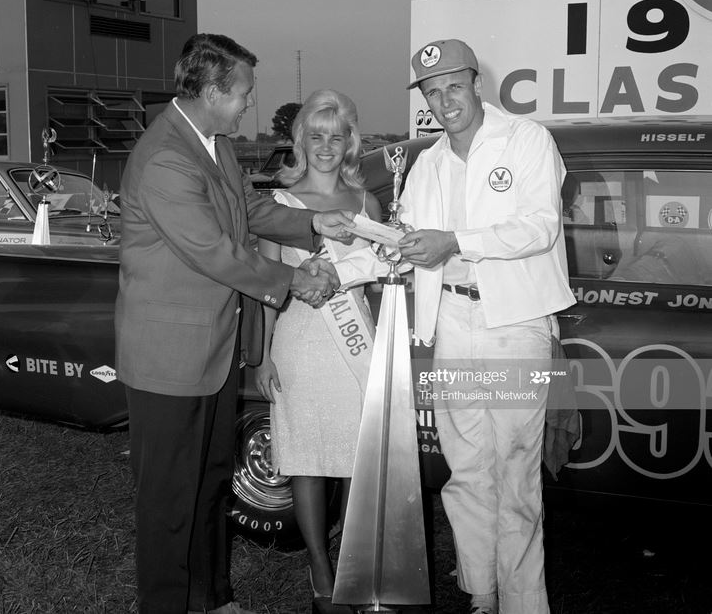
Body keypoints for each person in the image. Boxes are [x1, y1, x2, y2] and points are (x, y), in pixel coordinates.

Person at [115, 33, 355, 614]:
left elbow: (249, 210)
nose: (250, 103)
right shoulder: (166, 156)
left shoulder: (213, 143)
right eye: (244, 92)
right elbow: (214, 250)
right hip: (168, 362)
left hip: (212, 353)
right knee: (171, 502)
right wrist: (296, 280)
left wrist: (319, 223)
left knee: (212, 483)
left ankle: (213, 598)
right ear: (214, 91)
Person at [335, 39, 576, 614]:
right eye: (431, 92)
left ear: (476, 83)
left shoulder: (526, 140)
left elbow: (538, 227)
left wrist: (455, 242)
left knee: (516, 471)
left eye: (453, 87)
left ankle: (523, 603)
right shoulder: (428, 164)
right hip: (452, 323)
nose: (444, 102)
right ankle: (481, 592)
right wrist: (337, 267)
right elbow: (406, 246)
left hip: (516, 326)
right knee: (466, 470)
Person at [253, 89, 381, 614]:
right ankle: (319, 569)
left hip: (356, 344)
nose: (326, 145)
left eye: (337, 135)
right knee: (307, 460)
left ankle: (350, 564)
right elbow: (262, 284)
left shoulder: (367, 203)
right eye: (316, 135)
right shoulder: (279, 204)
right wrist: (262, 356)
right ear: (300, 141)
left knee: (355, 459)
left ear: (350, 141)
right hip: (301, 341)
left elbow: (375, 282)